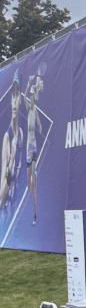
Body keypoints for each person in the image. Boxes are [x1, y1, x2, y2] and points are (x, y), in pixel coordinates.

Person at [1, 70, 21, 211]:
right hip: (7, 211)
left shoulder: (20, 133)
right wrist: (12, 159)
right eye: (13, 95)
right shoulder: (7, 138)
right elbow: (3, 187)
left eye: (17, 95)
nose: (15, 100)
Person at [25, 74, 42, 225]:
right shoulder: (28, 107)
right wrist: (30, 82)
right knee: (28, 186)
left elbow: (38, 122)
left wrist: (40, 125)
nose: (31, 97)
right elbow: (24, 97)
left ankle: (35, 216)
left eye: (32, 95)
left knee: (34, 186)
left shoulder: (35, 110)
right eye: (30, 95)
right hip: (27, 151)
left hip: (34, 146)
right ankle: (31, 176)